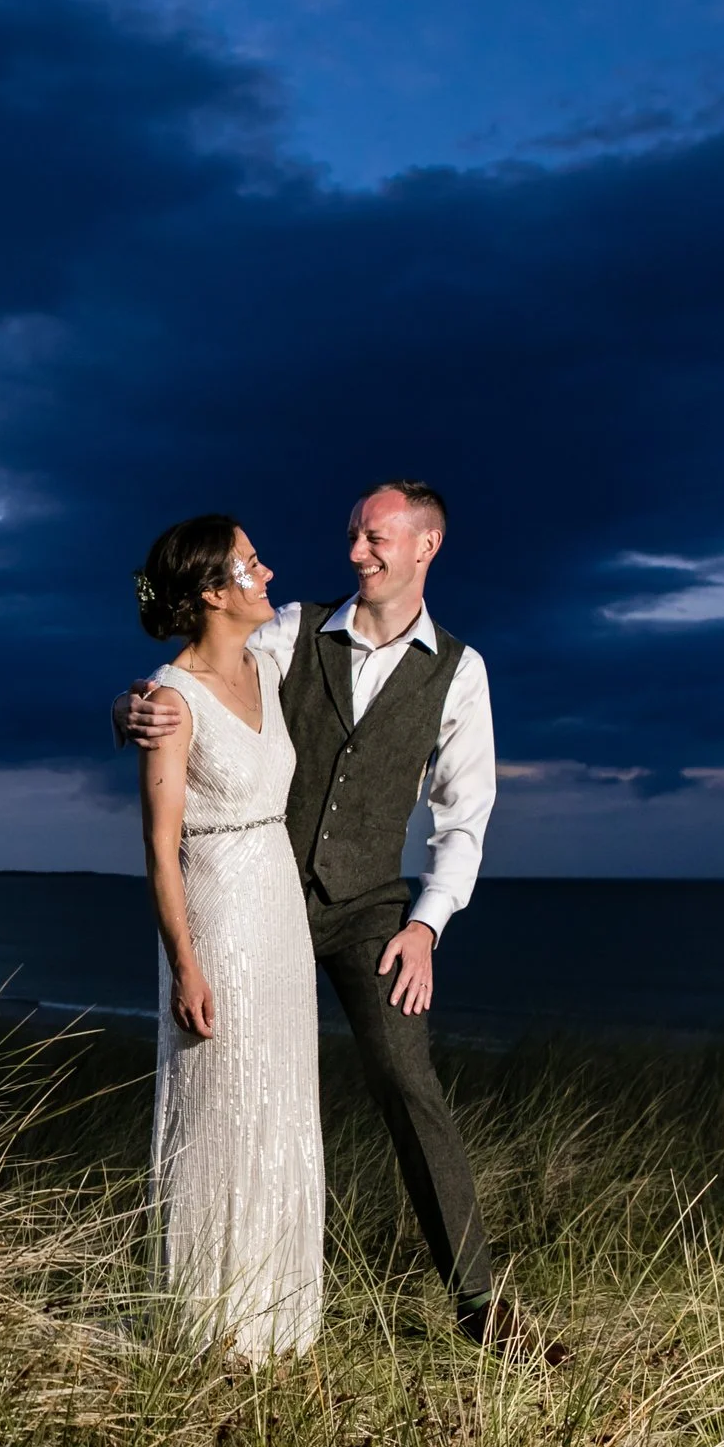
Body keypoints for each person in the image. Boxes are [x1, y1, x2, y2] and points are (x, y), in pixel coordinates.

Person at [119, 480, 561, 1361]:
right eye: (354, 534)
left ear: (426, 546)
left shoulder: (460, 672)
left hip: (371, 914)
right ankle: (224, 1295)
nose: (357, 550)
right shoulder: (289, 629)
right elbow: (199, 681)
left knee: (408, 1081)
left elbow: (464, 818)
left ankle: (481, 1307)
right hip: (263, 897)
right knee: (243, 1092)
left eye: (377, 536)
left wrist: (426, 925)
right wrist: (128, 708)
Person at [135, 514, 324, 1359]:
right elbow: (158, 844)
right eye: (251, 562)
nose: (267, 568)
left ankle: (277, 1319)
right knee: (219, 1106)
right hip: (218, 913)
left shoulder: (265, 663)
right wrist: (187, 963)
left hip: (279, 909)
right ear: (214, 591)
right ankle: (211, 1326)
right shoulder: (170, 699)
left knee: (282, 1100)